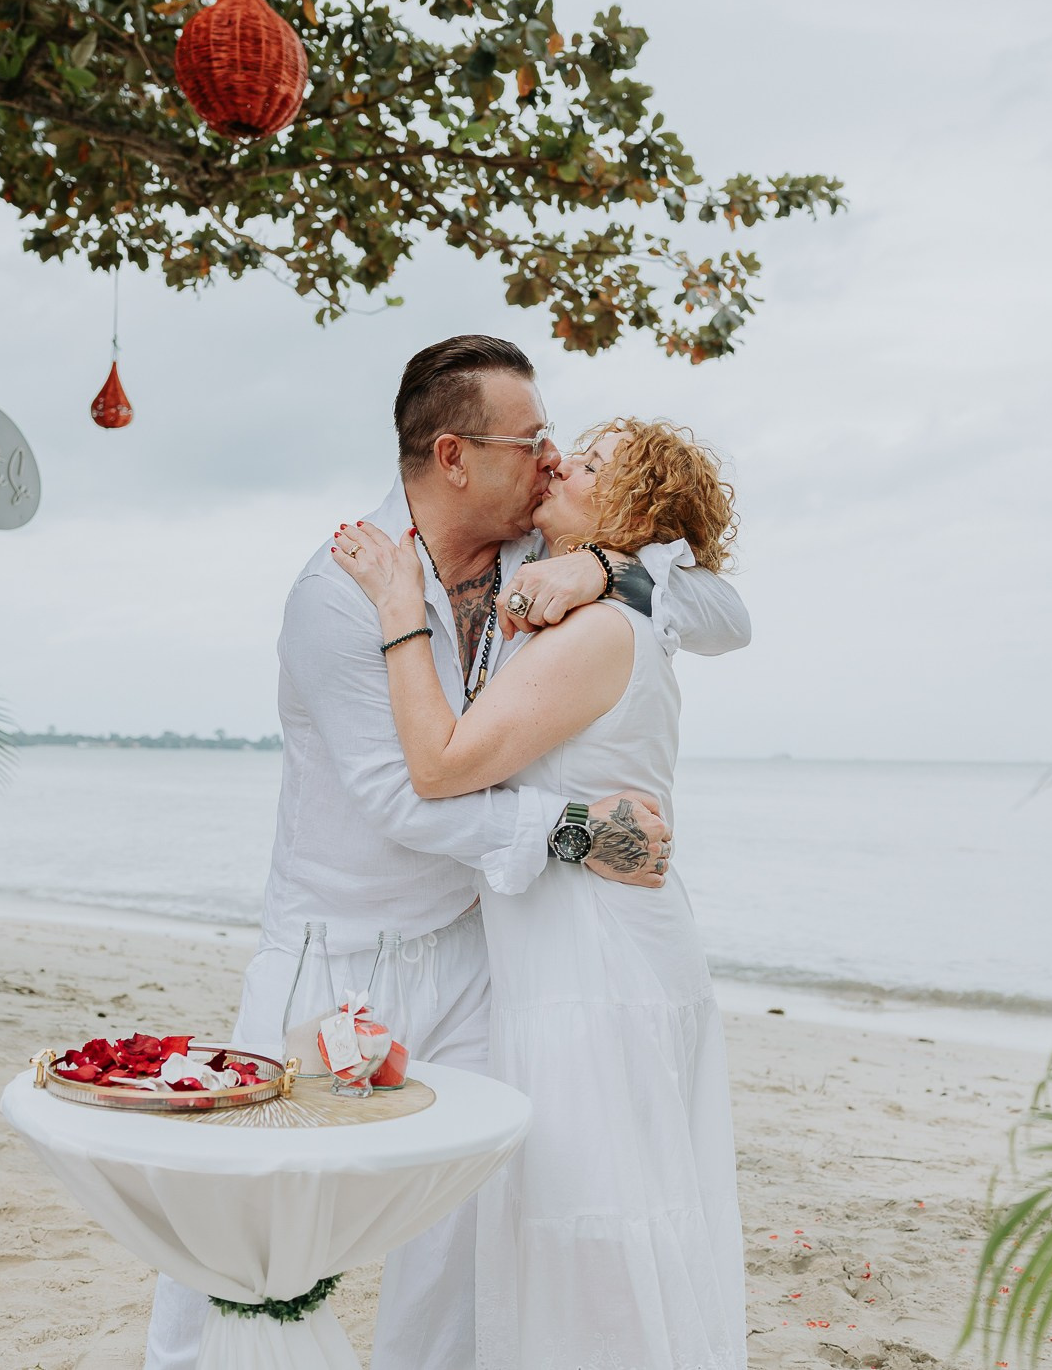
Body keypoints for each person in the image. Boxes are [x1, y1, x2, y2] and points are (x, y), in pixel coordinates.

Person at [143, 337, 749, 1370]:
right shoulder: (338, 588)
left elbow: (719, 612)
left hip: (476, 959)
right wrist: (568, 834)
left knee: (461, 1236)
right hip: (334, 955)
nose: (554, 458)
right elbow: (399, 794)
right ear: (456, 455)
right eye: (533, 441)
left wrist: (602, 564)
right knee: (251, 1221)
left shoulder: (538, 558)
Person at [330, 416, 746, 1370]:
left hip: (595, 965)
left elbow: (438, 766)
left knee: (593, 1227)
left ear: (633, 517)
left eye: (591, 466)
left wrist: (399, 607)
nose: (560, 461)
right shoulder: (563, 588)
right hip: (580, 953)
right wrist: (602, 562)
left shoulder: (599, 628)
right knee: (588, 1220)